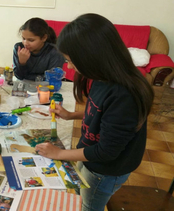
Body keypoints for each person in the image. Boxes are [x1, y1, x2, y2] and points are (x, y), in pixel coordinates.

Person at [35, 13, 154, 211]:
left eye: (71, 60)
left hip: (106, 169)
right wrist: (72, 115)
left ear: (91, 57)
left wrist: (60, 153)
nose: (70, 66)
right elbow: (101, 113)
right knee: (82, 192)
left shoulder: (125, 95)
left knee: (89, 206)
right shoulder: (103, 76)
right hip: (91, 157)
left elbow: (106, 151)